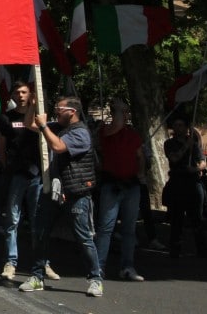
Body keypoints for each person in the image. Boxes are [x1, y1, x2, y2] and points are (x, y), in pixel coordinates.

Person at [18, 96, 103, 298]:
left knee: (83, 237)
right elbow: (28, 123)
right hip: (54, 191)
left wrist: (44, 126)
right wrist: (31, 105)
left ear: (72, 111)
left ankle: (95, 279)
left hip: (77, 193)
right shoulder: (59, 128)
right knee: (40, 233)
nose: (56, 111)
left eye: (59, 108)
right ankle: (37, 276)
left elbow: (57, 147)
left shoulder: (81, 133)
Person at [0, 80, 59, 283]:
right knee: (12, 220)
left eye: (24, 92)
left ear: (31, 93)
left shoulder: (42, 116)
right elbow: (3, 144)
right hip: (17, 172)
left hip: (38, 173)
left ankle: (43, 263)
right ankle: (10, 262)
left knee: (37, 221)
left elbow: (36, 127)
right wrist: (4, 166)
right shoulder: (6, 118)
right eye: (17, 92)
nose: (21, 95)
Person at [95, 97, 145, 281]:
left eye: (124, 112)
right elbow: (116, 125)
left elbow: (140, 156)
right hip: (112, 185)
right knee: (106, 228)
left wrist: (141, 174)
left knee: (129, 229)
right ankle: (98, 267)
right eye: (119, 112)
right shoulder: (106, 131)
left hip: (131, 185)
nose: (122, 115)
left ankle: (127, 266)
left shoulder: (134, 135)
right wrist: (118, 109)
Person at [162, 116, 207, 258]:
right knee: (176, 218)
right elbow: (174, 158)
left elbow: (202, 161)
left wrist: (197, 168)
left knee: (197, 218)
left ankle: (202, 249)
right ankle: (175, 249)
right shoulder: (169, 143)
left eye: (181, 125)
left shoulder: (195, 144)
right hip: (177, 182)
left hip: (192, 182)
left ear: (186, 127)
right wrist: (186, 147)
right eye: (176, 125)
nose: (178, 128)